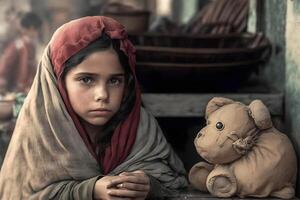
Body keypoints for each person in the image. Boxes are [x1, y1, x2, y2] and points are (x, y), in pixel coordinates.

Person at [0, 16, 187, 199]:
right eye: (86, 79)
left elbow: (172, 181)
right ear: (59, 82)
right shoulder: (40, 131)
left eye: (114, 80)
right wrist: (89, 190)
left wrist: (149, 186)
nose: (102, 95)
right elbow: (21, 194)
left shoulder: (140, 127)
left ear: (128, 82)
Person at [0, 11, 42, 94]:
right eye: (34, 29)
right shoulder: (17, 46)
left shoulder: (31, 47)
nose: (35, 32)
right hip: (16, 92)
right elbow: (4, 69)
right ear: (29, 29)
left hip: (28, 90)